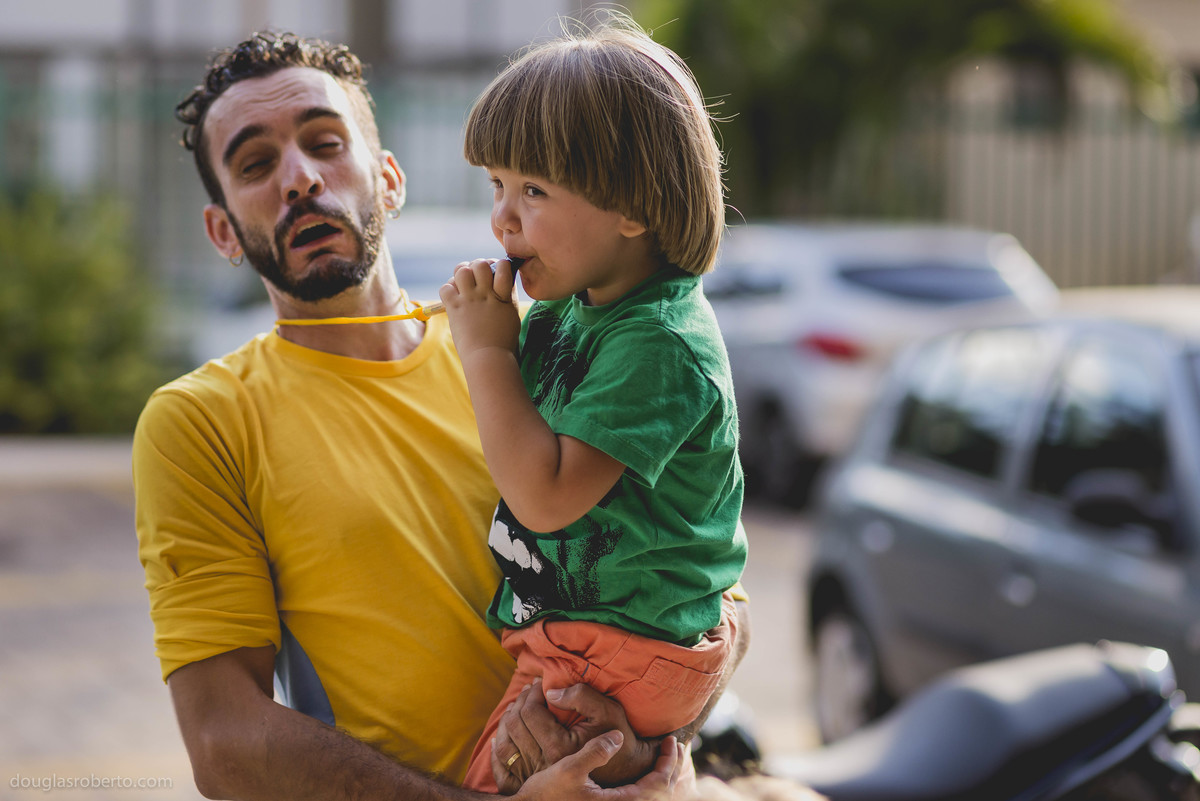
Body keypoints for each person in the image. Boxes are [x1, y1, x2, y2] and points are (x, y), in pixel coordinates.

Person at [132, 30, 731, 801]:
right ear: (221, 232)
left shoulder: (532, 338)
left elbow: (709, 579)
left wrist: (633, 741)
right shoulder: (202, 421)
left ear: (389, 179)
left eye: (325, 142)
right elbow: (226, 745)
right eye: (255, 164)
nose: (300, 179)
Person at [438, 13, 748, 793]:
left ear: (632, 208)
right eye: (497, 185)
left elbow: (543, 496)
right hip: (600, 634)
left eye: (534, 190)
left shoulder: (660, 340)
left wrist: (484, 352)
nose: (502, 217)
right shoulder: (579, 307)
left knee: (489, 783)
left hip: (617, 649)